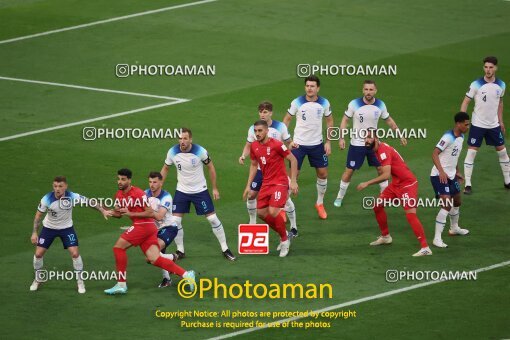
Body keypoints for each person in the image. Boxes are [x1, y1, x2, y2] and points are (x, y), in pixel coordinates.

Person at [104, 168, 195, 295]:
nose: (120, 182)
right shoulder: (119, 195)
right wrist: (108, 212)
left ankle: (121, 284)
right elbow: (119, 213)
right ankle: (187, 275)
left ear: (129, 180)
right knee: (154, 258)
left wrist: (130, 213)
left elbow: (150, 212)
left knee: (118, 248)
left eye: (123, 179)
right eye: (118, 179)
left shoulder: (138, 193)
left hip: (144, 225)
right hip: (149, 228)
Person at [161, 128, 235, 261]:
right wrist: (159, 186)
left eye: (185, 138)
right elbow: (166, 168)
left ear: (190, 139)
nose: (182, 141)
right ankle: (180, 250)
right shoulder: (172, 151)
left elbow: (211, 167)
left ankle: (225, 248)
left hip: (200, 190)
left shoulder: (200, 151)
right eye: (180, 138)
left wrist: (214, 188)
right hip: (182, 191)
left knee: (212, 218)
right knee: (176, 221)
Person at [357, 131, 432, 257]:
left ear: (376, 138)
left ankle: (425, 248)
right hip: (396, 184)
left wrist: (367, 183)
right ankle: (386, 236)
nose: (367, 140)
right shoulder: (377, 149)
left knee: (410, 215)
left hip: (407, 184)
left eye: (370, 137)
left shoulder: (382, 150)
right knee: (377, 205)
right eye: (365, 137)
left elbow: (386, 175)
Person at [30, 176, 110, 293]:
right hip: (49, 228)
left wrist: (103, 210)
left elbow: (89, 202)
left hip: (66, 228)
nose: (57, 189)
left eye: (60, 186)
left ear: (65, 186)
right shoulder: (46, 199)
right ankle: (38, 279)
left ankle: (80, 282)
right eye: (55, 186)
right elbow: (38, 216)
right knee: (38, 254)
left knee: (75, 253)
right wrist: (34, 232)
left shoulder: (72, 196)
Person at [335, 80, 407, 207]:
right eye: (366, 89)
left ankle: (384, 196)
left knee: (380, 169)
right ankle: (340, 197)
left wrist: (399, 134)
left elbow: (389, 120)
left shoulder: (380, 105)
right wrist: (341, 138)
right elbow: (345, 120)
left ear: (375, 91)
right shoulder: (354, 104)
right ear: (363, 90)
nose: (368, 92)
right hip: (357, 143)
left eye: (371, 89)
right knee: (349, 171)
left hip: (374, 145)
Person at [239, 101, 299, 237]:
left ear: (271, 113)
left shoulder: (280, 127)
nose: (262, 114)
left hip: (276, 171)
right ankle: (253, 222)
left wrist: (292, 144)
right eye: (260, 111)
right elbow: (249, 146)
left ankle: (293, 227)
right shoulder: (253, 128)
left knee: (286, 199)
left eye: (265, 111)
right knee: (251, 195)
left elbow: (288, 143)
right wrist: (243, 155)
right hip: (261, 171)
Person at [283, 75, 333, 219]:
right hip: (299, 145)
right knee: (293, 177)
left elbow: (330, 121)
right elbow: (286, 120)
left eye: (312, 86)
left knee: (323, 174)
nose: (309, 88)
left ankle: (319, 203)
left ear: (318, 88)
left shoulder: (324, 103)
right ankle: (284, 207)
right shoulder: (297, 102)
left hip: (317, 144)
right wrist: (288, 141)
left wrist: (328, 142)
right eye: (307, 86)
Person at [461, 56, 509, 194]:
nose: (488, 70)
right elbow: (465, 102)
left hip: (493, 125)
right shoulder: (476, 84)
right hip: (477, 125)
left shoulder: (501, 85)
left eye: (491, 67)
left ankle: (507, 181)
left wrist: (501, 121)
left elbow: (500, 103)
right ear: (484, 68)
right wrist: (463, 121)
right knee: (471, 153)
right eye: (486, 67)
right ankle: (468, 185)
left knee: (503, 152)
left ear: (496, 68)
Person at [431, 112, 471, 248]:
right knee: (447, 204)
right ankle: (437, 238)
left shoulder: (461, 137)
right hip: (439, 175)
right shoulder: (448, 137)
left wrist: (457, 171)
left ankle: (454, 228)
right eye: (466, 124)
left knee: (457, 200)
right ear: (458, 124)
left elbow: (454, 156)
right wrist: (442, 172)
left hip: (452, 175)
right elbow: (435, 153)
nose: (467, 127)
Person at [145, 171, 180, 288]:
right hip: (154, 230)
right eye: (150, 182)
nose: (152, 185)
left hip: (169, 228)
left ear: (161, 183)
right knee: (154, 257)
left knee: (152, 256)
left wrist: (147, 211)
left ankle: (173, 258)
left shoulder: (166, 197)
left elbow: (159, 216)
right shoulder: (145, 194)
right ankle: (167, 278)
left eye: (155, 182)